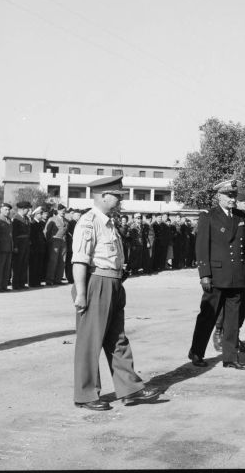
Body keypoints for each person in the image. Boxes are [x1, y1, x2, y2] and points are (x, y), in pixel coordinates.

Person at [71, 176, 162, 411]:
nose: (119, 201)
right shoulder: (88, 222)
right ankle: (86, 394)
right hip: (95, 282)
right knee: (91, 341)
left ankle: (130, 389)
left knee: (118, 339)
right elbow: (80, 260)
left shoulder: (109, 223)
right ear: (102, 196)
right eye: (116, 196)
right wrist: (81, 293)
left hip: (113, 282)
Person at [188, 179, 245, 370]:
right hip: (216, 275)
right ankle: (197, 352)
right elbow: (201, 247)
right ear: (219, 196)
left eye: (234, 195)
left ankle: (231, 357)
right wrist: (204, 274)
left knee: (232, 320)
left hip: (236, 275)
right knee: (208, 316)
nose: (233, 199)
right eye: (229, 196)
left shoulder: (241, 217)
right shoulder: (209, 216)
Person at [213, 186, 245, 353]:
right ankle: (220, 334)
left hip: (243, 269)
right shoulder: (227, 219)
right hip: (227, 270)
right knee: (226, 304)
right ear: (236, 202)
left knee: (242, 305)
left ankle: (234, 336)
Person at [44, 203, 69, 285]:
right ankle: (49, 279)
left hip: (63, 243)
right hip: (55, 242)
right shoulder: (52, 219)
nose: (63, 212)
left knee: (62, 261)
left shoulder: (66, 221)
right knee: (53, 261)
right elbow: (46, 232)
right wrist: (49, 241)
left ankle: (58, 279)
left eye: (64, 211)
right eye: (61, 210)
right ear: (58, 211)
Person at [0, 202, 14, 292]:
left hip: (9, 247)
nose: (8, 211)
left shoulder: (9, 220)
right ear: (1, 210)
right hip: (1, 248)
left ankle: (4, 286)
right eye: (6, 209)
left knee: (7, 268)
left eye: (9, 210)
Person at [11, 201, 32, 289]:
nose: (29, 210)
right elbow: (14, 233)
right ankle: (16, 284)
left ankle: (22, 283)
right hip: (19, 244)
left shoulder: (26, 218)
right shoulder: (16, 218)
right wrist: (15, 246)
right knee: (18, 264)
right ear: (23, 209)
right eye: (28, 208)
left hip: (26, 244)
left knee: (24, 263)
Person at [29, 206, 47, 287]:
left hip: (40, 248)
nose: (42, 215)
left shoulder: (39, 223)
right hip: (35, 248)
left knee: (39, 265)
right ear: (36, 214)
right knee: (34, 266)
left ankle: (37, 282)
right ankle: (33, 282)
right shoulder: (33, 223)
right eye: (40, 214)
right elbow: (32, 237)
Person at [65, 209, 82, 284]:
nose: (80, 216)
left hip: (74, 245)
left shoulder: (77, 223)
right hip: (71, 245)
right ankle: (70, 277)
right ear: (74, 216)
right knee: (69, 262)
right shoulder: (71, 223)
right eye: (78, 215)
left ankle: (71, 277)